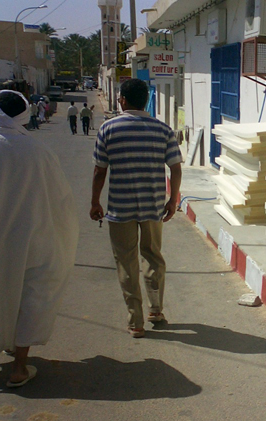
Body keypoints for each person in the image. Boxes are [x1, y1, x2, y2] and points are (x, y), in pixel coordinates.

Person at [0, 90, 79, 387]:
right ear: (25, 114)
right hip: (33, 240)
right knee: (32, 297)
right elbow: (60, 200)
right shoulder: (39, 151)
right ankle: (20, 365)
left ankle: (2, 342)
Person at [90, 78, 182, 338]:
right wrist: (173, 200)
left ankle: (136, 321)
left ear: (122, 100)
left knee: (126, 262)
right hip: (153, 206)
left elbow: (100, 170)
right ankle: (156, 310)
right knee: (153, 256)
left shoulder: (108, 128)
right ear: (146, 100)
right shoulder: (163, 130)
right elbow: (175, 168)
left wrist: (95, 201)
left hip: (120, 208)